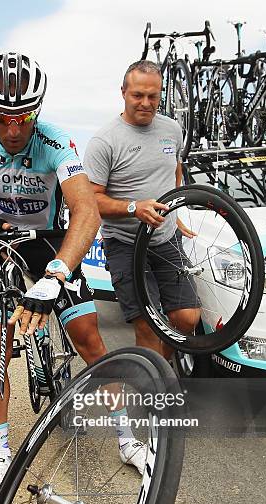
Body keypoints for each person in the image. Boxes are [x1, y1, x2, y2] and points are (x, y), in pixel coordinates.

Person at [0, 52, 144, 494]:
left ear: (37, 112)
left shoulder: (57, 142)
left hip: (50, 240)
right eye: (2, 119)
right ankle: (1, 452)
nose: (14, 130)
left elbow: (85, 211)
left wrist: (58, 271)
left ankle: (126, 437)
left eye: (23, 117)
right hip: (2, 244)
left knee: (89, 339)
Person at [84, 60, 201, 357]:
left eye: (153, 96)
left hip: (165, 237)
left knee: (186, 319)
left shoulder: (172, 129)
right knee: (148, 327)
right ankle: (155, 396)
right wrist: (133, 207)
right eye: (138, 95)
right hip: (125, 242)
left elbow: (175, 170)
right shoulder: (104, 140)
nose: (146, 103)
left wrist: (176, 211)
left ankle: (158, 372)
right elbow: (91, 199)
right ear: (123, 92)